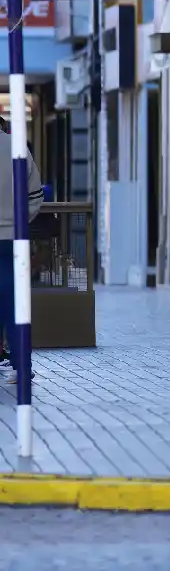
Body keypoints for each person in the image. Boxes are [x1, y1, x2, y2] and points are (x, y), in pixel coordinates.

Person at [0, 119, 44, 387]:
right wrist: (19, 221)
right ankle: (21, 366)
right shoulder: (18, 148)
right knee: (14, 306)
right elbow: (36, 195)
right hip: (12, 239)